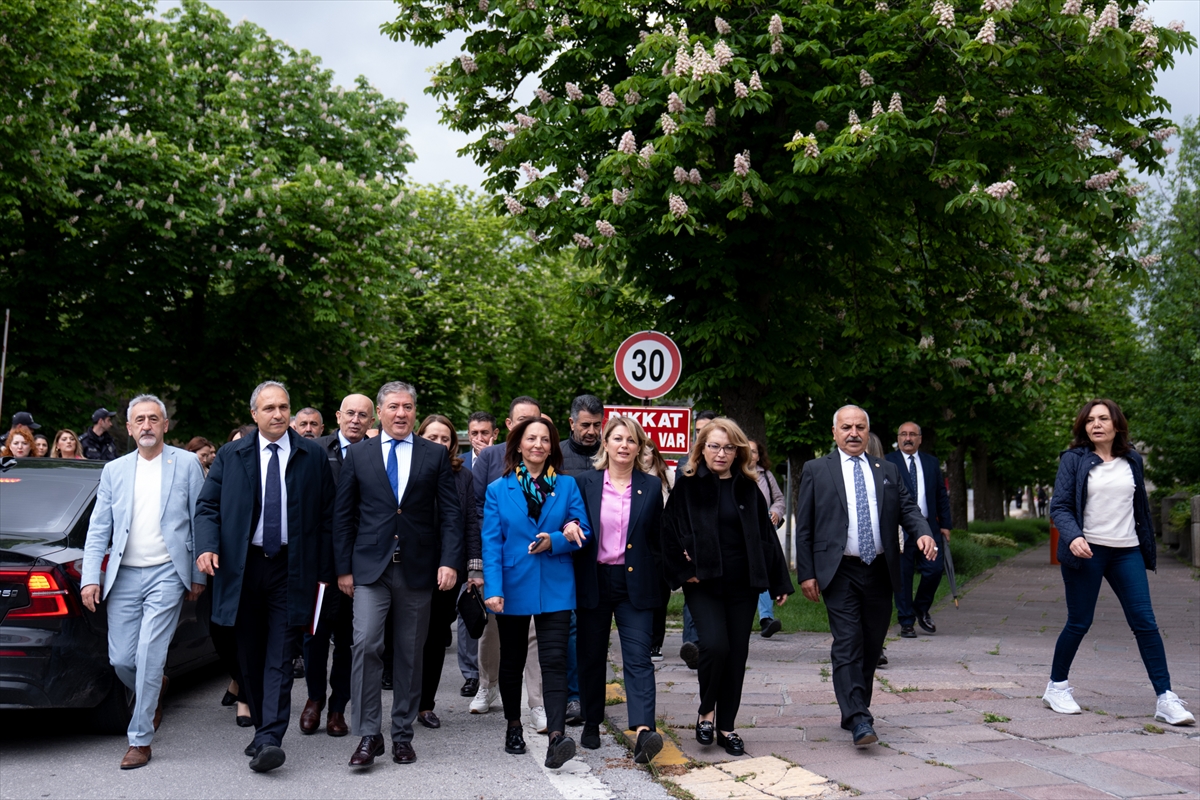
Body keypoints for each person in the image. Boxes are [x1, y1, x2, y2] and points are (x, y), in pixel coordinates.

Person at [195, 380, 336, 773]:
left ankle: (271, 737)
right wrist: (207, 546)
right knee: (250, 655)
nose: (278, 414)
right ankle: (262, 731)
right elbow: (207, 506)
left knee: (279, 654)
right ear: (254, 414)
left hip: (292, 568)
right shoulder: (231, 454)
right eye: (269, 408)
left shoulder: (312, 455)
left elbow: (328, 517)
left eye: (284, 407)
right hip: (243, 567)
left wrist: (325, 570)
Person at [332, 381, 463, 768]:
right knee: (366, 645)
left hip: (418, 569)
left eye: (407, 406)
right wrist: (343, 569)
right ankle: (369, 736)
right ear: (380, 412)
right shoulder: (359, 454)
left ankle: (402, 734)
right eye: (393, 406)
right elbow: (343, 516)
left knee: (409, 653)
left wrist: (450, 561)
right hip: (370, 569)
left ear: (415, 412)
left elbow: (451, 515)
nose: (401, 413)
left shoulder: (434, 455)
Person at [1044, 399, 1194, 726]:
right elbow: (1060, 507)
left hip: (1127, 551)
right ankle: (1056, 686)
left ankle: (1165, 697)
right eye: (1090, 420)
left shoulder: (1132, 460)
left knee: (1145, 622)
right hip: (1088, 551)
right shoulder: (1073, 460)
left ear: (1116, 424)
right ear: (1083, 427)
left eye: (1103, 418)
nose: (1096, 424)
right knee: (1079, 621)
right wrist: (1073, 536)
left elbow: (1139, 508)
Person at [795, 405, 936, 747]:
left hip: (879, 570)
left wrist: (923, 531)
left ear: (867, 432)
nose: (853, 433)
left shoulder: (885, 470)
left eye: (860, 427)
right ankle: (860, 718)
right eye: (846, 427)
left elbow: (907, 509)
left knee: (872, 646)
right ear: (834, 432)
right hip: (839, 569)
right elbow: (805, 526)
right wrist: (806, 573)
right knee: (848, 642)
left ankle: (855, 707)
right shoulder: (816, 469)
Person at [79, 395, 206, 770]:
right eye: (140, 420)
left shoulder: (186, 464)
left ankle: (140, 740)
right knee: (121, 658)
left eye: (154, 418)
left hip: (168, 571)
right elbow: (99, 528)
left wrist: (197, 574)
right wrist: (90, 577)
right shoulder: (114, 470)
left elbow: (200, 518)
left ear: (166, 425)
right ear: (130, 428)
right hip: (123, 575)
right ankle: (156, 685)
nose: (147, 425)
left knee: (151, 653)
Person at [661, 418, 793, 757]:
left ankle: (726, 726)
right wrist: (684, 570)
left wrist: (778, 582)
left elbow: (765, 538)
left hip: (742, 585)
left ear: (739, 452)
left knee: (736, 656)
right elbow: (669, 533)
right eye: (714, 446)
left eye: (729, 447)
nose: (721, 453)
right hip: (703, 583)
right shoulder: (687, 485)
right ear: (702, 448)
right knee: (716, 646)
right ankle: (706, 713)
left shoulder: (748, 487)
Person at [481, 417, 588, 769]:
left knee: (554, 662)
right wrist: (493, 589)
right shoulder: (499, 489)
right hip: (512, 586)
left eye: (545, 439)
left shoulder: (567, 485)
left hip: (556, 585)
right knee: (511, 662)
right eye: (531, 439)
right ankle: (514, 726)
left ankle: (557, 736)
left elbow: (582, 530)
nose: (538, 445)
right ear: (519, 445)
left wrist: (555, 540)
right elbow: (492, 543)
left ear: (552, 446)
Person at [574, 417, 665, 763]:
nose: (624, 445)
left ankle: (643, 731)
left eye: (631, 440)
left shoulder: (651, 487)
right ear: (606, 444)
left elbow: (658, 539)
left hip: (636, 584)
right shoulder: (585, 483)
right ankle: (592, 722)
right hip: (595, 580)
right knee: (592, 655)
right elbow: (574, 522)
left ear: (639, 447)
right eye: (617, 438)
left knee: (639, 658)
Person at [469, 396, 549, 731]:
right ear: (508, 423)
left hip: (533, 563)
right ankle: (486, 686)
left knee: (532, 635)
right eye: (521, 421)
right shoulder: (489, 456)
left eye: (534, 420)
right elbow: (474, 512)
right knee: (492, 631)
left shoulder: (547, 462)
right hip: (495, 561)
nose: (527, 427)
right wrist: (477, 566)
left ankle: (537, 702)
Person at [299, 393, 375, 738]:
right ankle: (314, 698)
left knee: (348, 639)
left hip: (360, 563)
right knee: (314, 635)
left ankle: (338, 707)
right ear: (338, 416)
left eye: (363, 415)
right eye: (350, 413)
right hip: (319, 563)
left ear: (371, 421)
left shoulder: (376, 454)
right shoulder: (316, 451)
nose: (356, 420)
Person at [413, 414, 482, 730]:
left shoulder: (462, 476)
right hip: (409, 565)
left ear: (453, 444)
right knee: (404, 637)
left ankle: (425, 705)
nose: (438, 443)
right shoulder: (406, 469)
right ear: (420, 437)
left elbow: (469, 523)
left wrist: (473, 569)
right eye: (432, 437)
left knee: (435, 637)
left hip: (447, 568)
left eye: (445, 439)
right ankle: (405, 699)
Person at [884, 422, 953, 639]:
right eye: (903, 434)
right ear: (898, 437)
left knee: (933, 570)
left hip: (929, 527)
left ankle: (920, 608)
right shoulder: (887, 462)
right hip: (900, 529)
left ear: (920, 438)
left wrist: (945, 525)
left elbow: (941, 494)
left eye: (912, 434)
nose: (907, 438)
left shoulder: (931, 463)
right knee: (902, 576)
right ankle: (906, 621)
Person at [675, 409, 716, 669]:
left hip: (720, 543)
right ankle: (692, 646)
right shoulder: (684, 463)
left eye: (708, 429)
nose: (702, 434)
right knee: (694, 591)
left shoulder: (729, 461)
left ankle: (710, 643)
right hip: (693, 540)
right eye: (698, 430)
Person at [749, 439, 787, 639]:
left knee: (761, 572)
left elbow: (779, 499)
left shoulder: (767, 475)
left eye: (754, 451)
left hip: (763, 533)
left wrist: (775, 512)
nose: (751, 455)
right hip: (741, 535)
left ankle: (766, 619)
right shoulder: (733, 473)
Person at [643, 442, 675, 662]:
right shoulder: (632, 476)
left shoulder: (667, 476)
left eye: (648, 453)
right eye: (642, 453)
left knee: (661, 595)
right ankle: (644, 639)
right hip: (642, 539)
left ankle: (656, 642)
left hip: (663, 540)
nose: (645, 457)